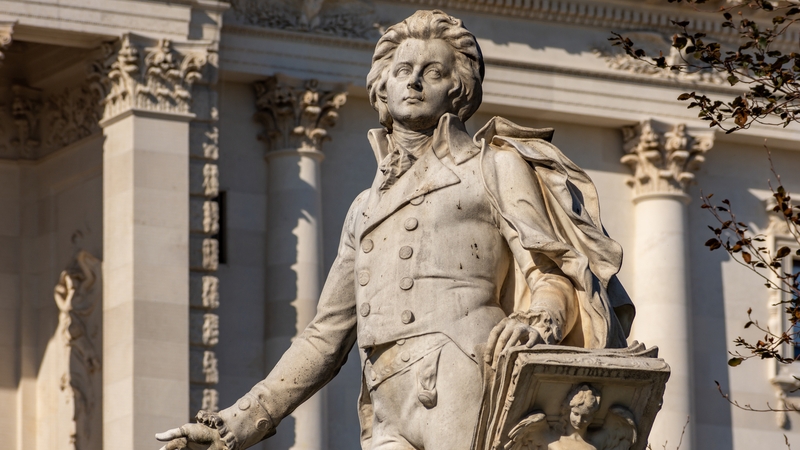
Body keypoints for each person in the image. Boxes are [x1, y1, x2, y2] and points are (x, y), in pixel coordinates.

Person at [157, 9, 634, 450]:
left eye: (433, 72)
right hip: (383, 401)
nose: (414, 82)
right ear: (381, 87)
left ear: (459, 88)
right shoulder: (364, 208)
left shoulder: (494, 166)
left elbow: (551, 270)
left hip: (460, 370)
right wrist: (238, 424)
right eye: (403, 71)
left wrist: (542, 321)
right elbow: (325, 337)